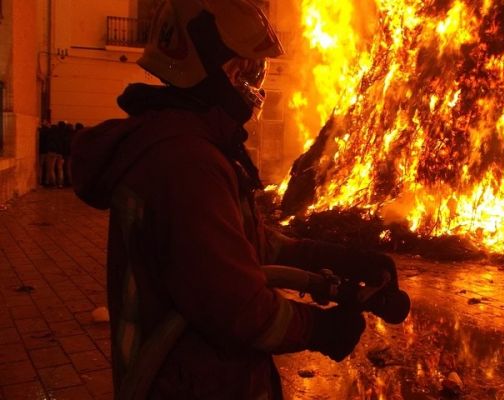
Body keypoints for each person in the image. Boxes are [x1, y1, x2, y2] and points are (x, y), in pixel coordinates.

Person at [70, 0, 399, 398]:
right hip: (190, 384)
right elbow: (236, 307)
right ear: (212, 70)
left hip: (198, 377)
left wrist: (332, 259)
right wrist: (319, 329)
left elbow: (243, 246)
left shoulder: (187, 144)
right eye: (248, 70)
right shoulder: (184, 163)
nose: (255, 83)